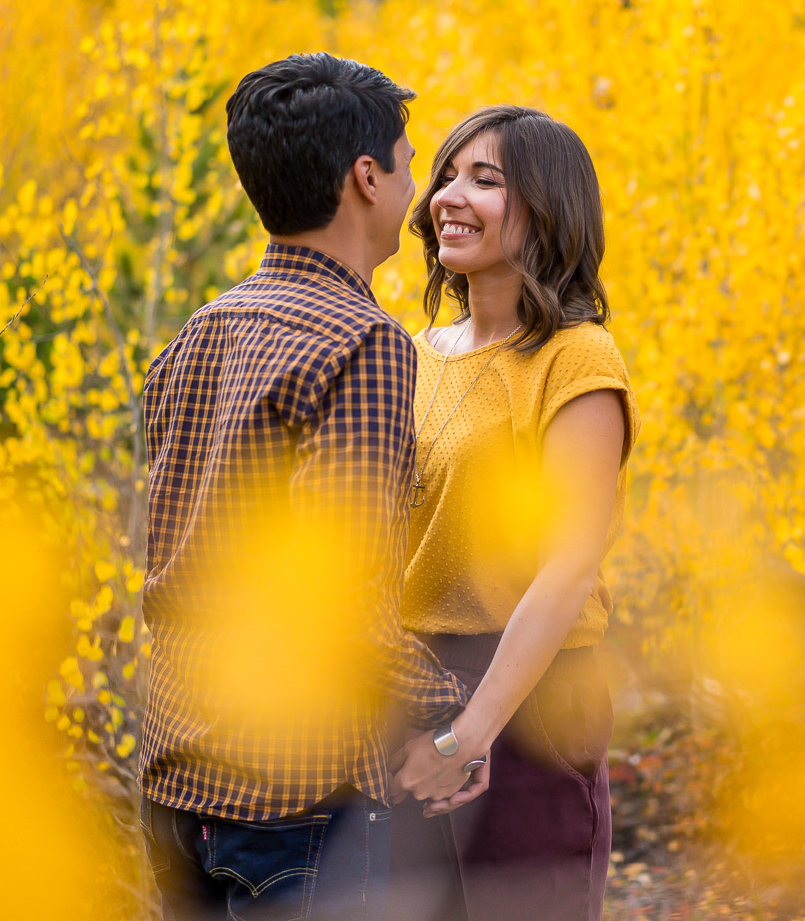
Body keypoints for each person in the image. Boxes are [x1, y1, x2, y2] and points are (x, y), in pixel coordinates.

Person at [138, 54, 484, 921]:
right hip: (293, 795)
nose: (418, 188)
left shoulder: (201, 332)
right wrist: (454, 719)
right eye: (409, 164)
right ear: (365, 178)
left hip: (176, 770)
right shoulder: (363, 345)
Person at [385, 106, 639, 921]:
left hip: (528, 705)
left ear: (547, 209)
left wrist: (471, 731)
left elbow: (568, 566)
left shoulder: (576, 358)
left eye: (485, 181)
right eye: (447, 176)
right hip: (409, 689)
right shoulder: (412, 354)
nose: (447, 198)